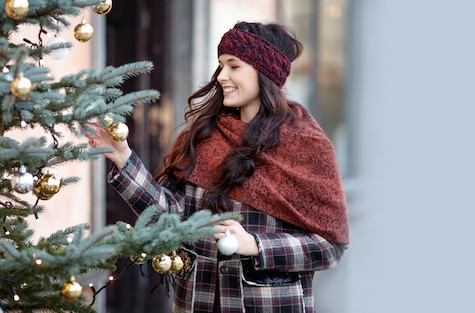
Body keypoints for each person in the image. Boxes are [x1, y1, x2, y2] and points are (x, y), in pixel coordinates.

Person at [86, 21, 349, 313]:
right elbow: (171, 218)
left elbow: (329, 247)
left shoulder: (308, 146)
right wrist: (122, 156)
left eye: (234, 66)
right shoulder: (202, 136)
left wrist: (257, 245)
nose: (222, 76)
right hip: (196, 302)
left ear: (264, 73)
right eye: (221, 65)